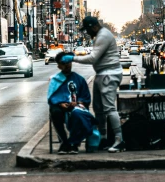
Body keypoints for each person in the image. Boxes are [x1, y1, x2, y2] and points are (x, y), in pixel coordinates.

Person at [75, 16, 126, 153]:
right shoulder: (100, 35)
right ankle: (103, 138)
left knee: (109, 108)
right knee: (98, 108)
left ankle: (119, 139)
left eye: (87, 29)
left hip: (109, 74)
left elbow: (93, 58)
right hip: (102, 73)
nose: (87, 32)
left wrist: (73, 58)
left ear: (93, 26)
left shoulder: (103, 36)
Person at [47, 51, 93, 154]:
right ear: (59, 66)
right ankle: (64, 142)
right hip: (60, 107)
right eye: (63, 63)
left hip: (76, 106)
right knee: (55, 112)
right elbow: (51, 97)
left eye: (68, 62)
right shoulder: (55, 80)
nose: (67, 65)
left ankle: (74, 143)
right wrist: (60, 103)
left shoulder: (79, 79)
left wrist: (77, 102)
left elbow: (86, 96)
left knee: (78, 113)